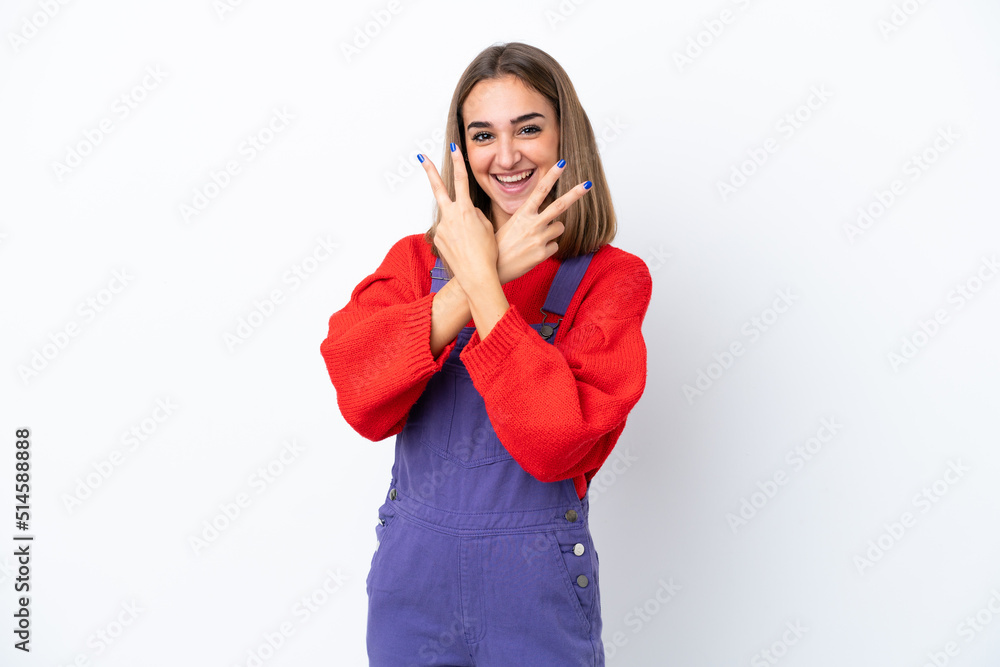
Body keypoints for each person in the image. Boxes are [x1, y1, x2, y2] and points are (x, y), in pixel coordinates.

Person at [320, 41, 652, 666]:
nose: (506, 156)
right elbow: (360, 398)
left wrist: (482, 284)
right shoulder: (415, 264)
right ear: (462, 151)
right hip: (413, 585)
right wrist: (487, 270)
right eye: (482, 135)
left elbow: (555, 445)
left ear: (564, 137)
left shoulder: (611, 279)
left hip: (534, 589)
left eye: (528, 128)